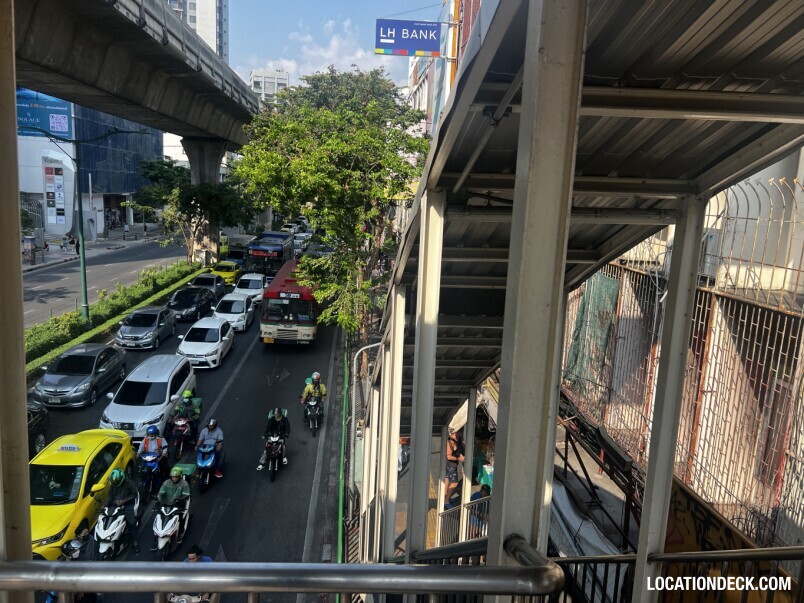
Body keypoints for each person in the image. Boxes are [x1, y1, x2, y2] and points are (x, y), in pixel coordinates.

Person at [108, 468, 139, 554]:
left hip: (127, 505)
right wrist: (105, 506)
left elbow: (134, 494)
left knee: (132, 523)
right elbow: (110, 497)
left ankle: (135, 542)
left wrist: (124, 501)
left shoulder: (129, 483)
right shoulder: (113, 484)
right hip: (115, 504)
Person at [444, 427, 465, 508]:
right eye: (461, 431)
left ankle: (445, 497)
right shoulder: (450, 442)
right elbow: (448, 456)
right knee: (454, 483)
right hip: (451, 465)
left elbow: (462, 445)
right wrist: (459, 458)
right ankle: (446, 500)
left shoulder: (459, 438)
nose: (461, 433)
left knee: (447, 479)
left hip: (454, 465)